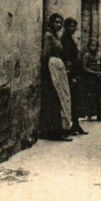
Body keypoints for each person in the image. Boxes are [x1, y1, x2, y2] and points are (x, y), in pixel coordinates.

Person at [40, 13, 73, 141]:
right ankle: (56, 132)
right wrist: (47, 72)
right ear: (51, 23)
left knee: (63, 97)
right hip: (52, 68)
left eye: (60, 22)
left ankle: (62, 129)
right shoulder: (48, 36)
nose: (58, 25)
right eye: (56, 22)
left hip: (58, 68)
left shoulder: (55, 36)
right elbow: (45, 54)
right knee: (56, 99)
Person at [60, 17, 88, 136]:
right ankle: (71, 125)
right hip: (71, 73)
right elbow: (67, 58)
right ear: (66, 27)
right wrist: (72, 76)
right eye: (71, 26)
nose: (73, 29)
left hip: (75, 72)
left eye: (74, 26)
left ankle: (76, 124)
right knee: (72, 99)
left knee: (76, 99)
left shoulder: (70, 38)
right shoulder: (65, 40)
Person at [81, 39, 101, 121]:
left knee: (100, 96)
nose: (94, 47)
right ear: (89, 46)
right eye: (92, 45)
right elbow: (84, 67)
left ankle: (99, 114)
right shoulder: (87, 55)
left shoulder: (99, 55)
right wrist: (93, 72)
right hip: (90, 79)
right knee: (90, 96)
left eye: (95, 45)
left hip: (98, 78)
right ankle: (89, 114)